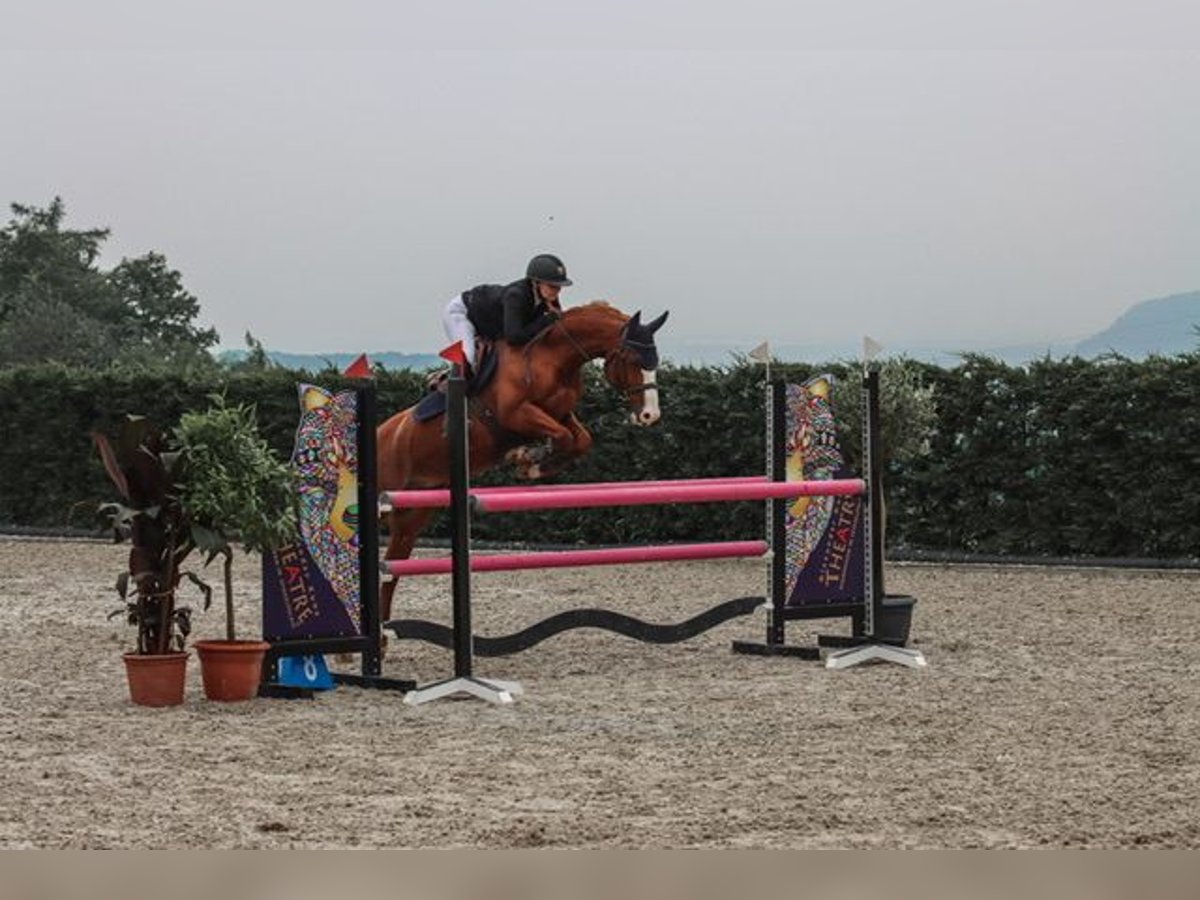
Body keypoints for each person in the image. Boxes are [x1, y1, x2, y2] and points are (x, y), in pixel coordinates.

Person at [434, 253, 572, 386]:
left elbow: (550, 325)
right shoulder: (516, 296)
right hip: (461, 314)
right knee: (467, 356)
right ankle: (451, 400)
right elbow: (514, 337)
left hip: (488, 324)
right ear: (536, 283)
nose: (557, 291)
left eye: (559, 286)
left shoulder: (545, 298)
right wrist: (546, 320)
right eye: (552, 286)